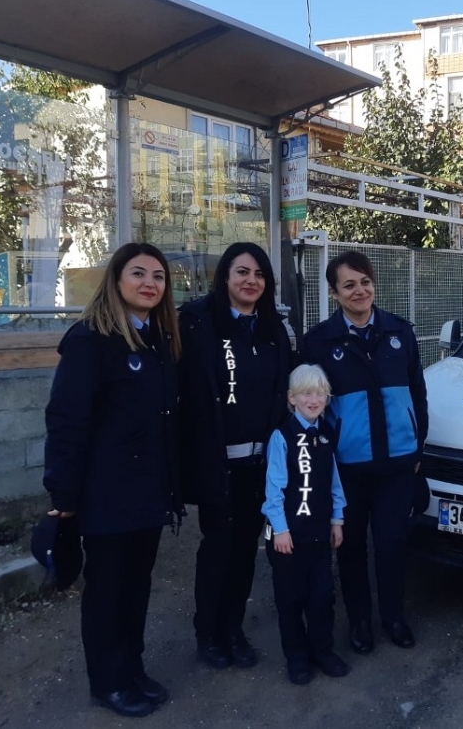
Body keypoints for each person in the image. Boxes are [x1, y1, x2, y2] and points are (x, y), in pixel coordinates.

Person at [43, 242, 181, 718]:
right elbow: (67, 419)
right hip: (107, 492)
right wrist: (62, 494)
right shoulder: (90, 340)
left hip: (149, 490)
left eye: (158, 276)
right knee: (107, 590)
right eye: (138, 273)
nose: (150, 283)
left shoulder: (158, 341)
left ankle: (131, 669)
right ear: (117, 280)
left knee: (137, 585)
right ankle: (108, 682)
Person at [301, 250, 428, 654]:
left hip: (397, 464)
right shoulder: (318, 343)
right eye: (349, 285)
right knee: (351, 547)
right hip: (347, 468)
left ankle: (393, 617)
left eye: (365, 282)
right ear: (334, 293)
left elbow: (417, 392)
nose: (360, 291)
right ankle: (359, 621)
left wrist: (417, 446)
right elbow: (307, 408)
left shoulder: (400, 333)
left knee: (392, 544)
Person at [178, 242, 292, 670]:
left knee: (246, 550)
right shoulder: (198, 324)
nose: (251, 280)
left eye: (259, 274)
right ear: (225, 276)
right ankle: (208, 633)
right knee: (218, 549)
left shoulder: (272, 329)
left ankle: (233, 629)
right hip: (218, 465)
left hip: (260, 465)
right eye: (242, 272)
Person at [262, 364, 349, 685]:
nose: (313, 400)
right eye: (306, 394)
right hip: (289, 538)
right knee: (290, 600)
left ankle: (322, 651)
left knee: (322, 598)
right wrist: (280, 529)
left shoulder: (326, 434)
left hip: (318, 535)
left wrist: (337, 519)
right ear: (292, 398)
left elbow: (333, 481)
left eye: (320, 393)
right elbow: (274, 489)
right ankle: (296, 657)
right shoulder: (281, 436)